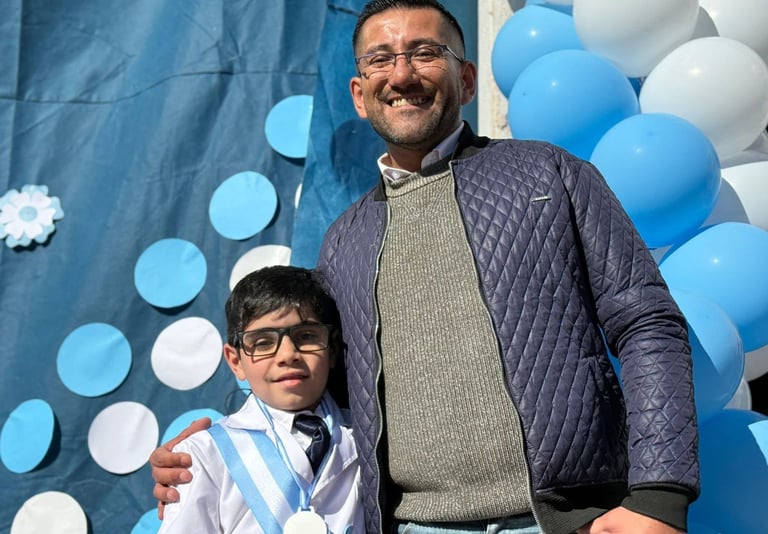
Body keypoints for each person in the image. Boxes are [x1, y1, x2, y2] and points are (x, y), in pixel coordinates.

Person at [151, 1, 700, 533]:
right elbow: (319, 385)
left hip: (568, 521)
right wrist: (213, 454)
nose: (402, 74)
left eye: (424, 52)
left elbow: (647, 323)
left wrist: (659, 495)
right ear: (359, 94)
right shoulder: (345, 240)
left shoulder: (549, 175)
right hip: (415, 526)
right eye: (380, 59)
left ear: (466, 80)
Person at [156, 265, 361, 534]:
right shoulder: (205, 453)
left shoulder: (366, 437)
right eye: (263, 342)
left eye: (306, 336)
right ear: (235, 361)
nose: (288, 355)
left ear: (332, 349)